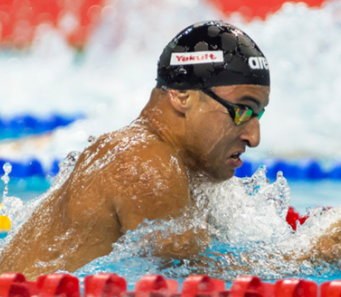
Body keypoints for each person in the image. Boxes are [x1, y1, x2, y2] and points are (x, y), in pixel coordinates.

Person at [0, 20, 272, 279]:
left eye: (257, 115)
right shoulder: (147, 164)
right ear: (182, 96)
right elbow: (197, 279)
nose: (253, 137)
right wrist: (305, 256)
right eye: (242, 110)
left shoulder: (157, 156)